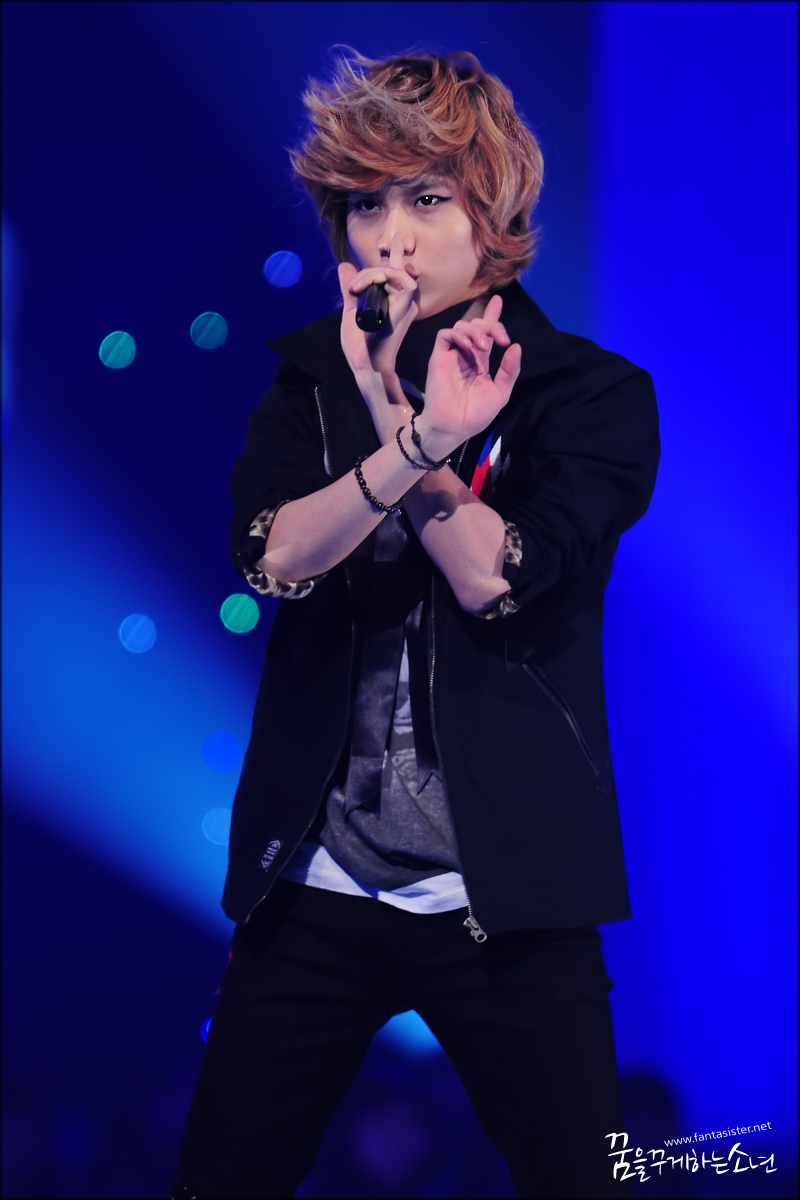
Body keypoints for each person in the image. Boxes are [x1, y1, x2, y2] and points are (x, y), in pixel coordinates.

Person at [171, 49, 659, 1199]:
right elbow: (275, 556)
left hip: (503, 899)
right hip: (317, 886)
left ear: (493, 214)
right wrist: (405, 426)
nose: (388, 238)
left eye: (425, 198)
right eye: (364, 206)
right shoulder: (310, 385)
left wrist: (412, 423)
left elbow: (494, 577)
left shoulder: (590, 397)